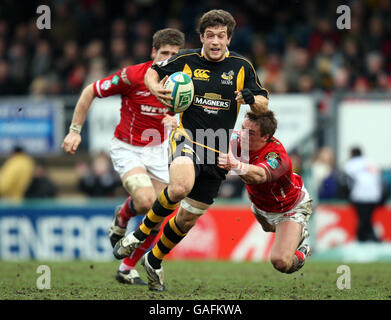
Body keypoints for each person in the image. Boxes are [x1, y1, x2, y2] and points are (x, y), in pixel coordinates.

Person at [113, 9, 269, 291]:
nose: (215, 41)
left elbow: (262, 104)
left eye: (221, 36)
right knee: (180, 187)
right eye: (210, 35)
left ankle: (155, 260)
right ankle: (139, 234)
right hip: (187, 138)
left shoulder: (242, 66)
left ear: (228, 38)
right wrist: (156, 90)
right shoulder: (185, 60)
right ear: (202, 37)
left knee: (186, 220)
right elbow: (153, 71)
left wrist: (250, 98)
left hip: (218, 150)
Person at [62, 28, 185, 285]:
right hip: (128, 148)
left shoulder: (185, 81)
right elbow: (89, 91)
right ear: (153, 52)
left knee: (159, 214)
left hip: (159, 150)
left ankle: (127, 267)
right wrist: (75, 131)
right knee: (145, 201)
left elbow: (192, 115)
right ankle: (123, 214)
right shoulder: (133, 76)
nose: (168, 59)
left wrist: (177, 121)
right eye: (164, 53)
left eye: (174, 54)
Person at [217, 111, 312, 274]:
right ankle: (291, 234)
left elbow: (259, 175)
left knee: (281, 262)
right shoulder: (238, 140)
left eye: (250, 133)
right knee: (268, 228)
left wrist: (235, 165)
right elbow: (209, 143)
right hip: (260, 205)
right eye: (242, 128)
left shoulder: (278, 157)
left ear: (265, 137)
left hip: (289, 208)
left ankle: (302, 250)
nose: (243, 135)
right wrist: (178, 130)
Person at [343, 147, 383, 242]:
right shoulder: (371, 162)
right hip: (374, 194)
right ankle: (368, 237)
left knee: (363, 218)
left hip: (359, 195)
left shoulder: (350, 164)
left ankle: (366, 238)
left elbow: (347, 180)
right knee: (367, 218)